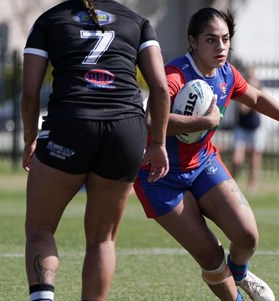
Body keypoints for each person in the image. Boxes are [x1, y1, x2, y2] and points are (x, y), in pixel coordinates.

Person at [132, 8, 279, 301]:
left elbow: (255, 97)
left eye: (225, 39)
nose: (220, 47)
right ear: (193, 41)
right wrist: (205, 121)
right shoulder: (176, 74)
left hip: (202, 164)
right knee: (211, 255)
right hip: (160, 175)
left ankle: (240, 272)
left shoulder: (227, 72)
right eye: (211, 40)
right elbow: (151, 121)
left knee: (247, 236)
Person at [21, 1, 170, 300]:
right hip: (126, 129)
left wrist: (30, 138)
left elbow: (29, 91)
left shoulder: (49, 20)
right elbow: (161, 89)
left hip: (71, 122)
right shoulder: (137, 21)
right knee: (103, 240)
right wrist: (159, 143)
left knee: (40, 229)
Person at [231, 66, 265, 194]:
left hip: (256, 128)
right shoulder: (240, 90)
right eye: (249, 77)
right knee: (237, 159)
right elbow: (242, 110)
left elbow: (260, 107)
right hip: (241, 127)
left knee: (255, 159)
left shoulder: (259, 90)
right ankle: (233, 183)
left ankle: (252, 185)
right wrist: (252, 101)